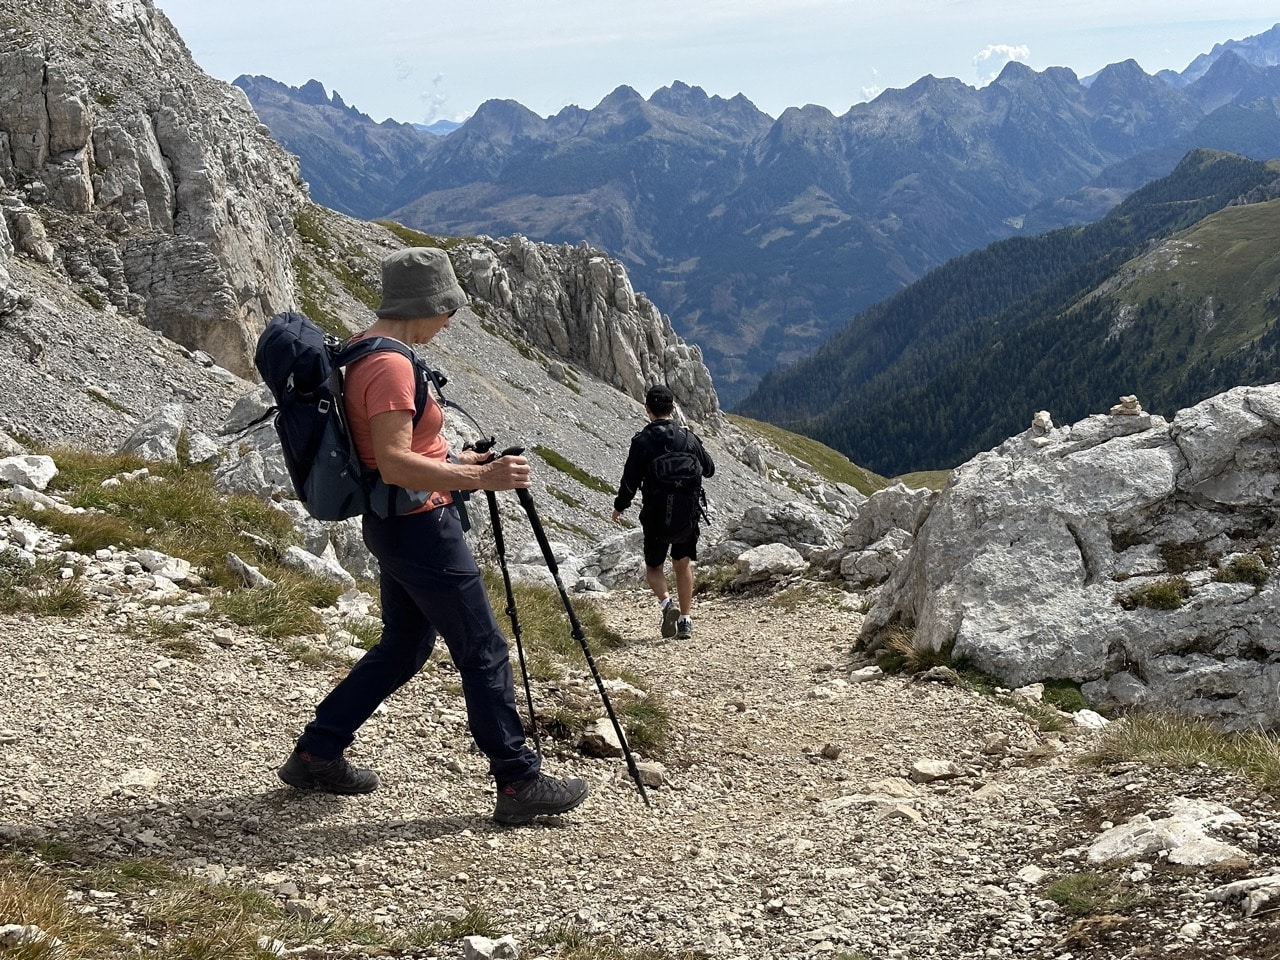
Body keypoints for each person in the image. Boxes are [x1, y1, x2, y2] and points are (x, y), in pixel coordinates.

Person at [277, 246, 589, 826]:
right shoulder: (391, 365)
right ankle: (518, 782)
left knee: (405, 645)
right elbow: (394, 463)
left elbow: (392, 453)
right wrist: (482, 476)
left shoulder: (363, 348)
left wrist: (456, 458)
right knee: (484, 648)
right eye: (449, 311)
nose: (450, 324)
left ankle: (317, 752)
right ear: (430, 304)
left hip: (395, 525)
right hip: (422, 529)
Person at [611, 384, 715, 640]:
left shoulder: (642, 441)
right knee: (682, 564)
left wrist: (620, 506)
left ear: (647, 409)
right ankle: (686, 620)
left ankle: (667, 605)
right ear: (673, 408)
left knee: (654, 567)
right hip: (687, 516)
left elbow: (630, 480)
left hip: (656, 517)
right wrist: (694, 440)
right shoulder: (688, 438)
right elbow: (710, 469)